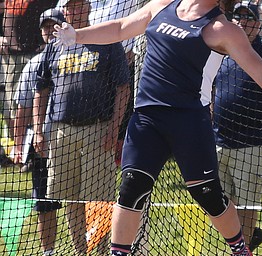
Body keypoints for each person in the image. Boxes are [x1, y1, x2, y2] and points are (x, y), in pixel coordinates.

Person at [52, 0, 262, 255]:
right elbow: (120, 28)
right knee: (132, 187)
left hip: (189, 122)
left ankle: (240, 249)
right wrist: (77, 35)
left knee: (208, 194)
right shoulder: (162, 5)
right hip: (147, 118)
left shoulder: (222, 29)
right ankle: (119, 252)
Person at [33, 0, 130, 255]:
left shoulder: (107, 39)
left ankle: (99, 250)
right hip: (61, 131)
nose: (74, 10)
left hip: (98, 130)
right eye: (69, 6)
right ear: (63, 11)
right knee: (70, 197)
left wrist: (114, 127)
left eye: (79, 5)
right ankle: (80, 251)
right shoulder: (53, 46)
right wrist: (39, 130)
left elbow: (123, 87)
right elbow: (40, 90)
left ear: (88, 7)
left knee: (99, 197)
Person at [213, 1, 262, 252]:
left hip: (253, 142)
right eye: (239, 17)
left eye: (249, 18)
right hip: (219, 139)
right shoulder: (221, 51)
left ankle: (244, 248)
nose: (243, 22)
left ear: (259, 24)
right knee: (219, 201)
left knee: (247, 202)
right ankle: (246, 240)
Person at [13, 9, 65, 256]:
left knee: (85, 196)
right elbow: (22, 109)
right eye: (45, 27)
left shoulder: (80, 53)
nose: (49, 31)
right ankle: (48, 252)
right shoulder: (33, 65)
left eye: (54, 26)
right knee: (44, 201)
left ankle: (92, 245)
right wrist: (17, 144)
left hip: (77, 135)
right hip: (43, 141)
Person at [0, 0, 59, 140]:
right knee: (16, 105)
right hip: (14, 57)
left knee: (44, 101)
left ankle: (38, 149)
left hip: (45, 53)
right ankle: (22, 151)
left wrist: (51, 42)